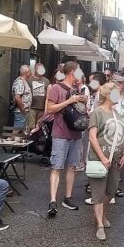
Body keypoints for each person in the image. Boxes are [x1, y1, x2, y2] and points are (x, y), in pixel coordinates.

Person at [45, 61, 87, 217]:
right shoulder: (56, 88)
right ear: (72, 73)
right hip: (61, 133)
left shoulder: (77, 90)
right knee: (56, 167)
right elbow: (49, 109)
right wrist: (69, 101)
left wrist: (84, 103)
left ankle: (67, 198)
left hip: (75, 133)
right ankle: (53, 200)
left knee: (72, 167)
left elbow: (83, 112)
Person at [87, 82, 124, 240]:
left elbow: (120, 134)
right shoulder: (97, 112)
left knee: (111, 191)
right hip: (100, 159)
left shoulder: (116, 113)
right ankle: (100, 224)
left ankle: (100, 215)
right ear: (108, 95)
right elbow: (92, 137)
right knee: (98, 193)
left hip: (116, 159)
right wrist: (103, 158)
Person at [27, 63, 50, 132]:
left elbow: (48, 94)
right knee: (31, 126)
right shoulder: (29, 79)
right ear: (35, 69)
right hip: (31, 107)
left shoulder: (46, 80)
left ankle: (37, 141)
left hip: (42, 108)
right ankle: (29, 140)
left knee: (39, 127)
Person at [12, 65, 33, 131]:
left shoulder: (23, 81)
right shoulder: (20, 82)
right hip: (20, 112)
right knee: (17, 133)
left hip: (23, 112)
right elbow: (17, 97)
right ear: (26, 72)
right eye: (30, 71)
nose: (31, 73)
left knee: (22, 133)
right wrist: (23, 109)